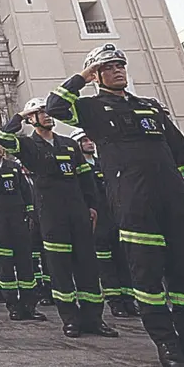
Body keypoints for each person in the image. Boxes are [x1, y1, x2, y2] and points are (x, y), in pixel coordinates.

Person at [46, 43, 184, 367]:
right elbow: (55, 106)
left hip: (174, 200)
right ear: (97, 74)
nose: (117, 70)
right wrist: (83, 75)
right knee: (148, 273)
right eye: (109, 67)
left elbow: (181, 152)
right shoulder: (92, 109)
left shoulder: (150, 108)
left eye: (120, 65)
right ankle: (166, 342)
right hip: (133, 200)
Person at [0, 98, 115, 339]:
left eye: (49, 112)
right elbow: (3, 137)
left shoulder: (69, 145)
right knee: (60, 267)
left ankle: (94, 318)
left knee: (87, 264)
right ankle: (70, 319)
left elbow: (85, 178)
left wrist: (91, 205)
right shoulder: (29, 146)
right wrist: (21, 115)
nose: (48, 116)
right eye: (41, 112)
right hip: (51, 211)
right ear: (33, 118)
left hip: (77, 209)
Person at [0, 130, 43, 322]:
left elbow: (26, 191)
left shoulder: (14, 167)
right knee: (4, 265)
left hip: (17, 218)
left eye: (0, 144)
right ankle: (12, 305)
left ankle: (29, 305)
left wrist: (30, 213)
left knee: (25, 264)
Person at [70, 129, 137, 319]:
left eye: (91, 139)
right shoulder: (79, 168)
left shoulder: (103, 164)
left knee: (122, 258)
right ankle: (115, 301)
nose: (90, 143)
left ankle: (129, 299)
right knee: (105, 262)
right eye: (85, 141)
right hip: (96, 218)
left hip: (114, 215)